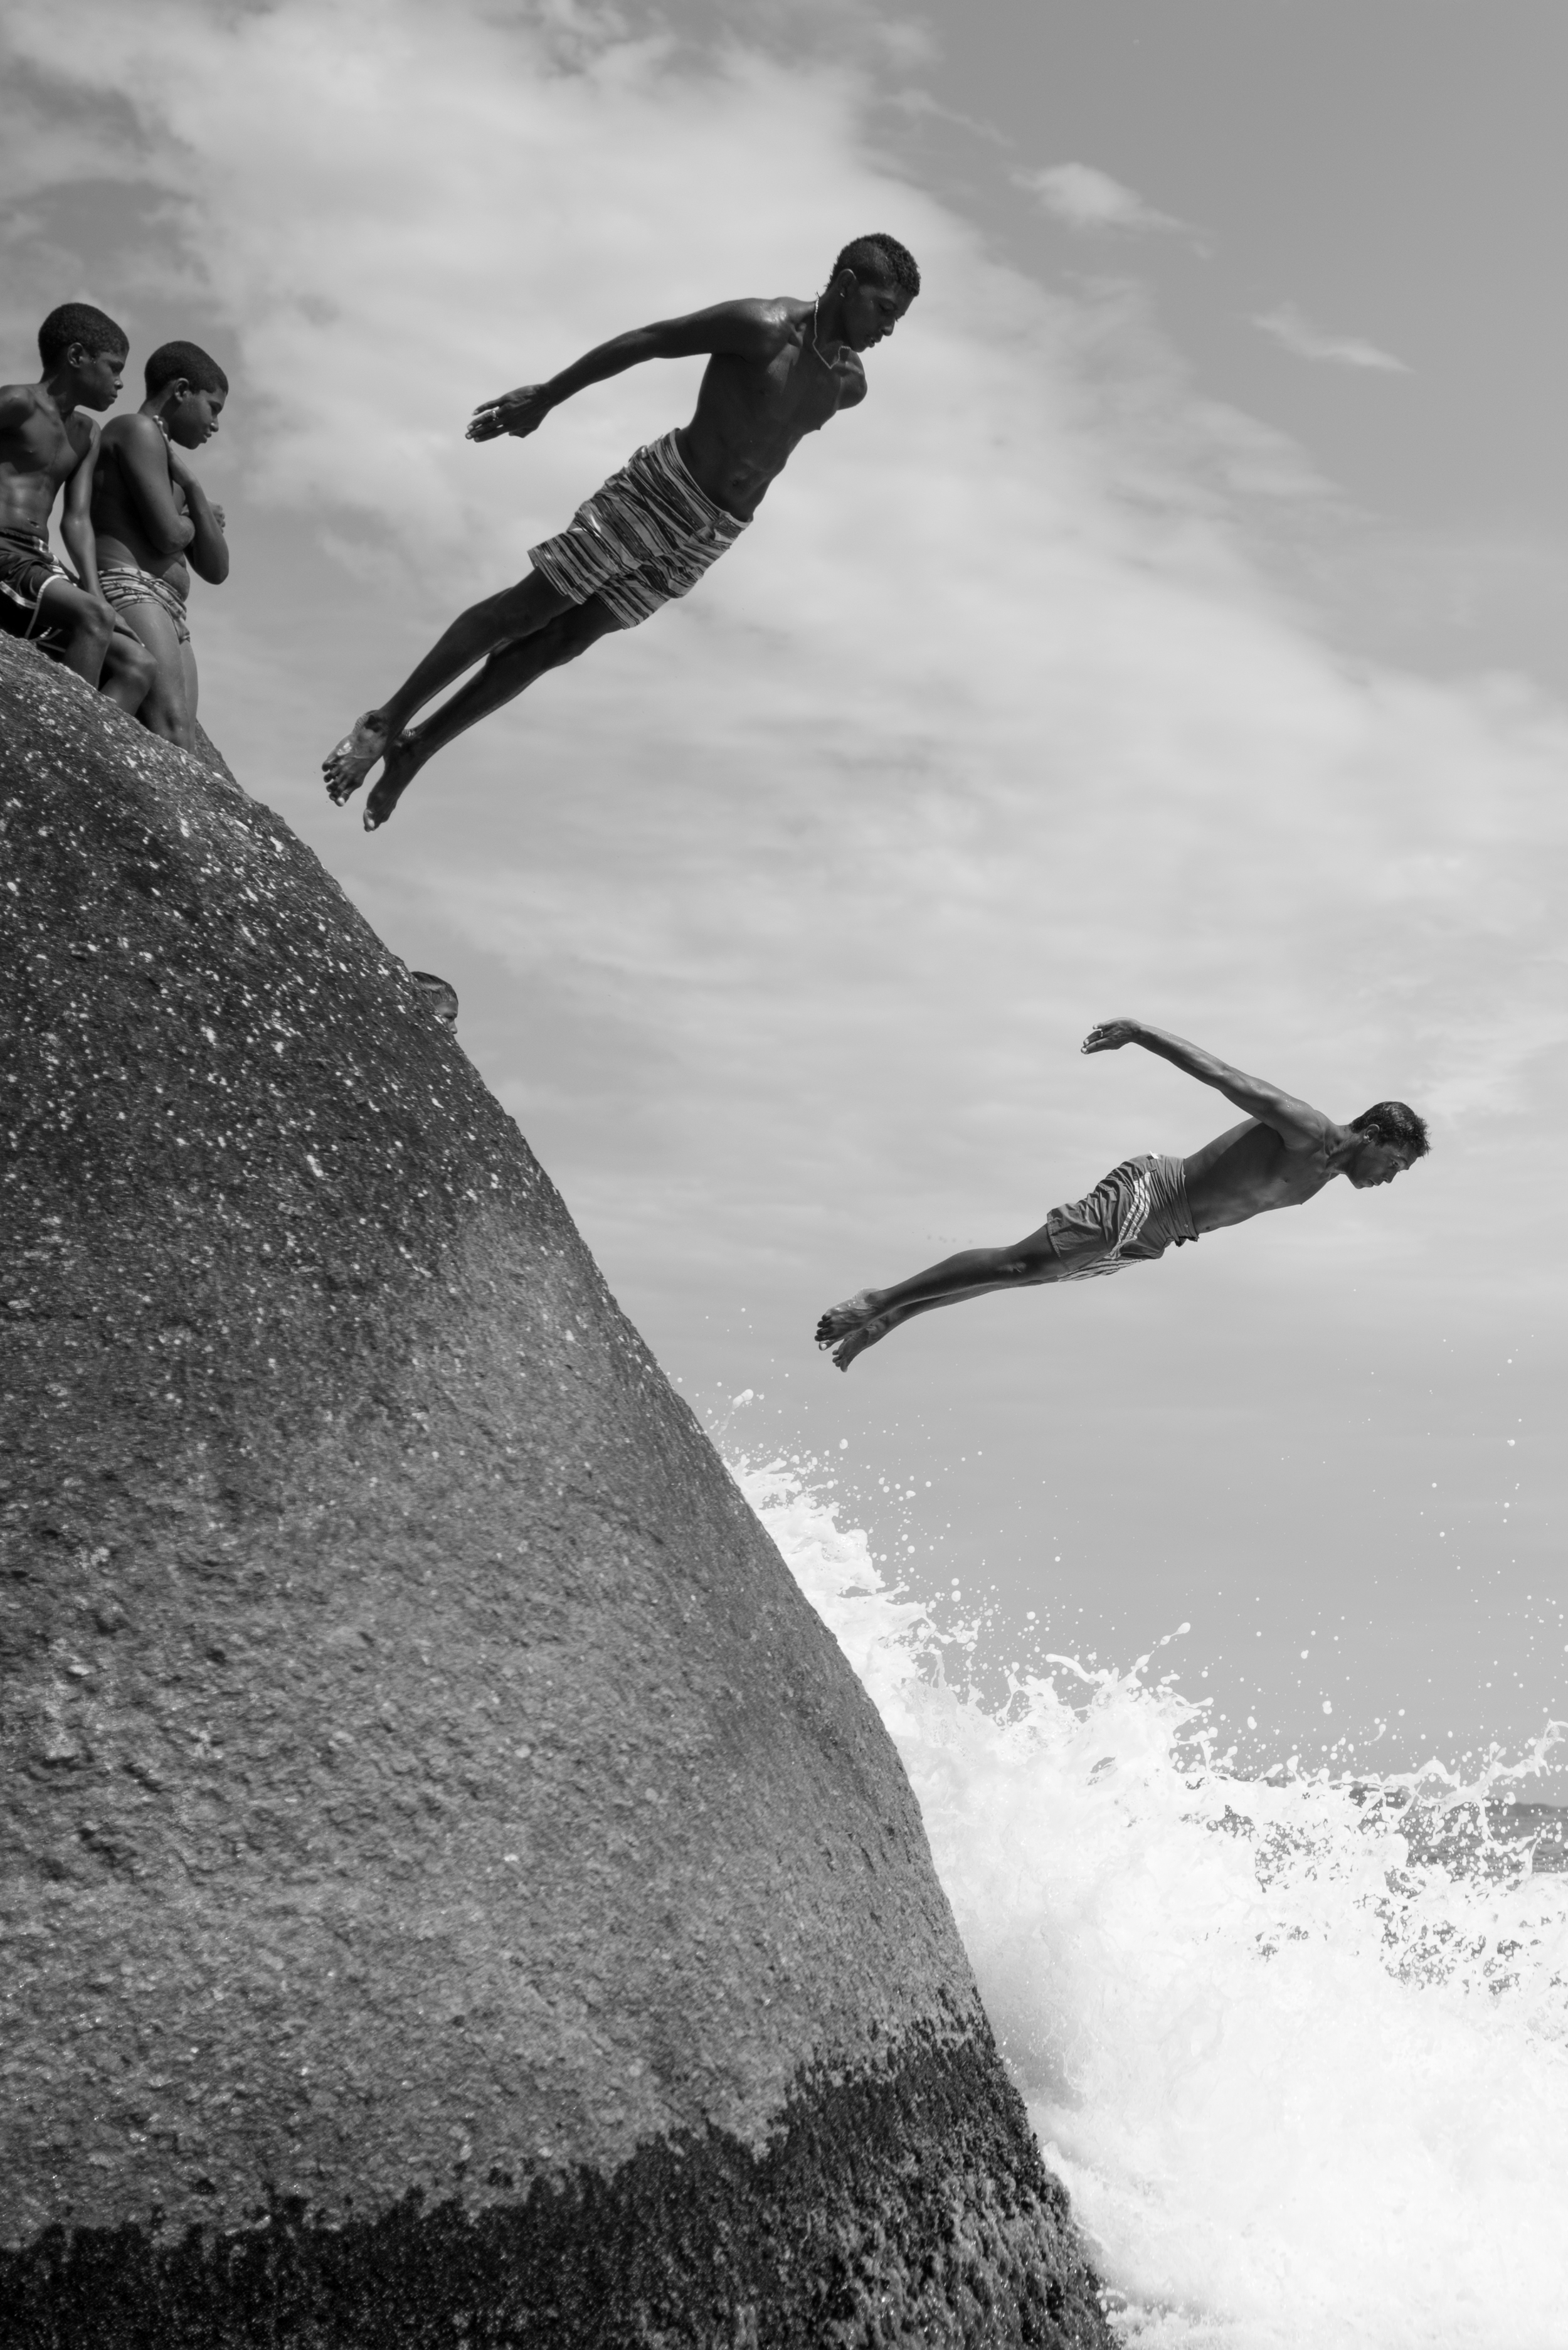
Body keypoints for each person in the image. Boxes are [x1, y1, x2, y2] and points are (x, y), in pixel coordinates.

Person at [323, 233, 921, 830]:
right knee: (528, 610)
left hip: (712, 536)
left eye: (898, 318)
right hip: (663, 490)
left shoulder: (849, 386)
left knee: (564, 643)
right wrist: (547, 397)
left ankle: (418, 749)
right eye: (884, 309)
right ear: (847, 286)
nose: (889, 329)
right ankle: (385, 721)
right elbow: (649, 341)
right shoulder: (761, 327)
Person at [815, 1019, 1430, 1371]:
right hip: (1151, 1196)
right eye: (1394, 1164)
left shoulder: (1325, 1175)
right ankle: (879, 1300)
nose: (1389, 1178)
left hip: (1159, 1235)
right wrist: (1138, 1033)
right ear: (1374, 1135)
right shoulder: (1307, 1130)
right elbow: (1224, 1076)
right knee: (1021, 1262)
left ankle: (896, 1314)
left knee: (1027, 1275)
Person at [0, 303, 155, 711]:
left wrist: (96, 594)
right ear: (76, 356)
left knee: (138, 665)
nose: (120, 382)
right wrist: (96, 610)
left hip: (37, 559)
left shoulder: (88, 432)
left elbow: (77, 520)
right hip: (3, 551)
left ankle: (81, 745)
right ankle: (64, 733)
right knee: (94, 618)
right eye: (114, 367)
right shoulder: (17, 401)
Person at [91, 340, 230, 750]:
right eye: (213, 408)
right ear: (182, 390)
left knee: (183, 746)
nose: (215, 424)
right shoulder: (136, 430)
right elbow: (168, 535)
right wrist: (195, 515)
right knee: (171, 730)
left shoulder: (175, 472)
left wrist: (193, 489)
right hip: (132, 588)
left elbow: (217, 570)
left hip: (172, 611)